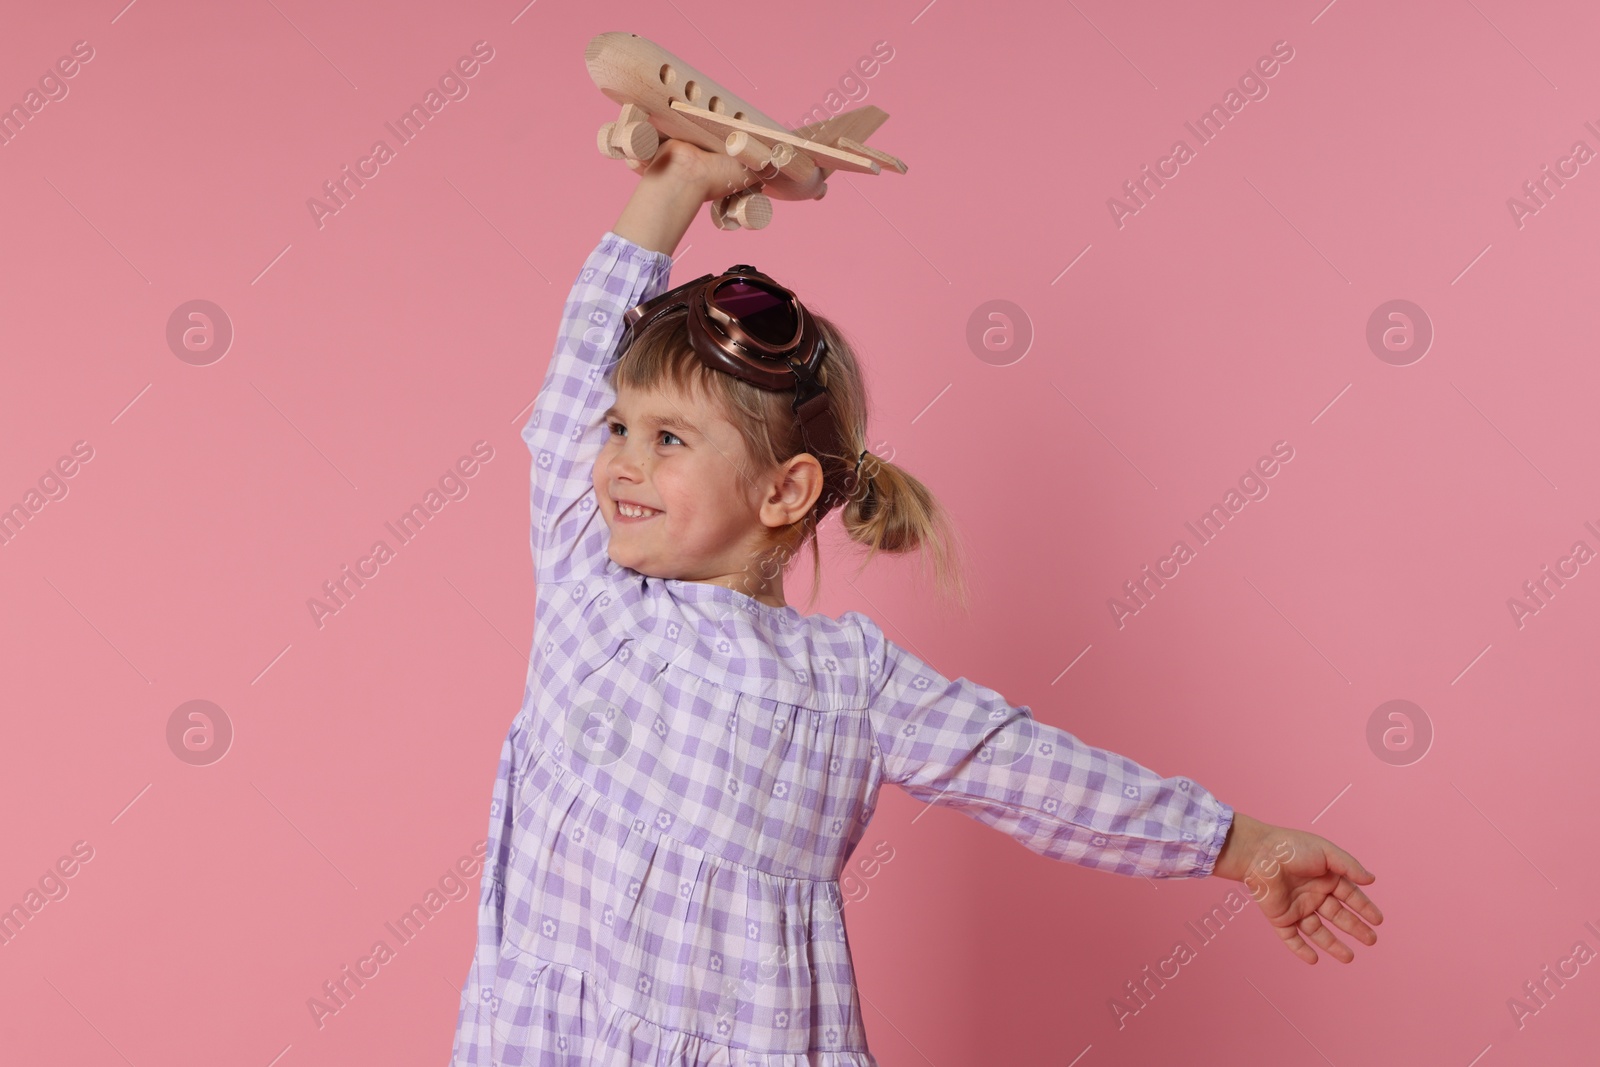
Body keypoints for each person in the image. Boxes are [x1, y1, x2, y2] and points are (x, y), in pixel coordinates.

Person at [450, 138, 1382, 1066]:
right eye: (619, 426)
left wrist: (1237, 843)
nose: (620, 461)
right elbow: (579, 362)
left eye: (667, 438)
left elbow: (1033, 774)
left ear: (783, 490)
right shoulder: (590, 580)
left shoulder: (852, 683)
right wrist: (679, 185)